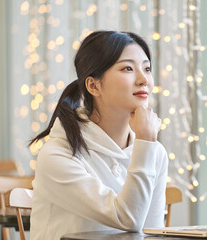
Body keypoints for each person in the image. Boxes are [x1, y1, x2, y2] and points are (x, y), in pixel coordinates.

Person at [29, 31, 168, 240]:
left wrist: (146, 143)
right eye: (128, 68)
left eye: (147, 68)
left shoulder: (154, 152)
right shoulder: (57, 155)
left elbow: (152, 234)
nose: (143, 79)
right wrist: (146, 140)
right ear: (93, 85)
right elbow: (127, 218)